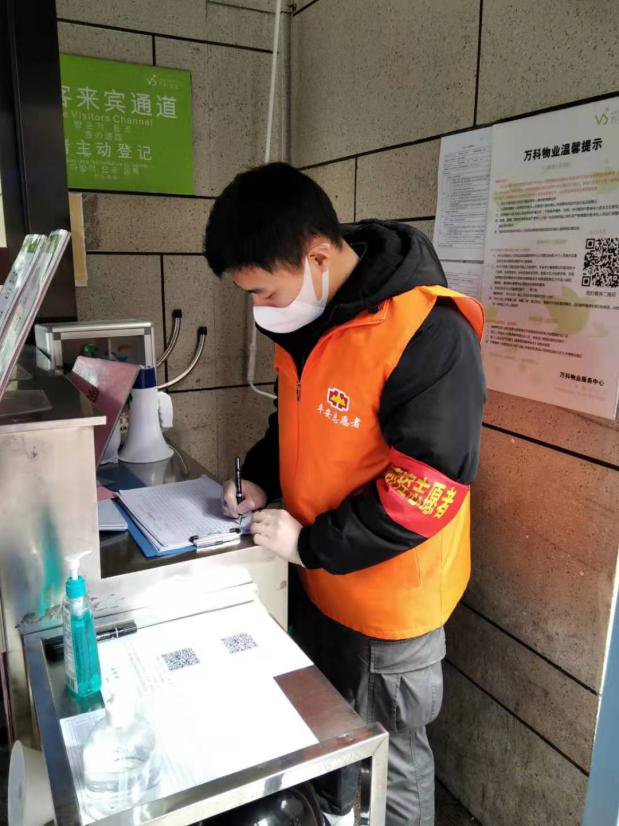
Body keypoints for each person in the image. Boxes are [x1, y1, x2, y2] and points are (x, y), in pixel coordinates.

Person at [204, 162, 486, 826]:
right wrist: (262, 479)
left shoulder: (428, 332)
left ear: (317, 256)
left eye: (264, 291)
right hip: (321, 579)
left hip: (389, 602)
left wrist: (310, 545)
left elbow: (425, 490)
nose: (259, 309)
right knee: (335, 746)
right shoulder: (309, 317)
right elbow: (296, 423)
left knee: (392, 762)